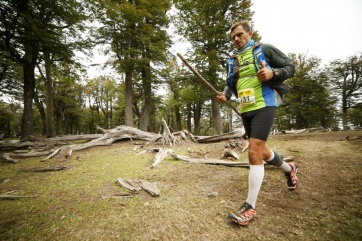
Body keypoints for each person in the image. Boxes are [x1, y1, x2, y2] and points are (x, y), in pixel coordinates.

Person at [216, 20, 299, 226]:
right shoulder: (232, 60)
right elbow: (229, 85)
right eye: (233, 37)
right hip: (246, 109)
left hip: (265, 104)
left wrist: (273, 73)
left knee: (253, 152)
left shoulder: (265, 49)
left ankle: (250, 207)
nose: (236, 39)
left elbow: (290, 68)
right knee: (262, 152)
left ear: (249, 33)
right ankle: (290, 169)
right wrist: (225, 95)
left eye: (239, 34)